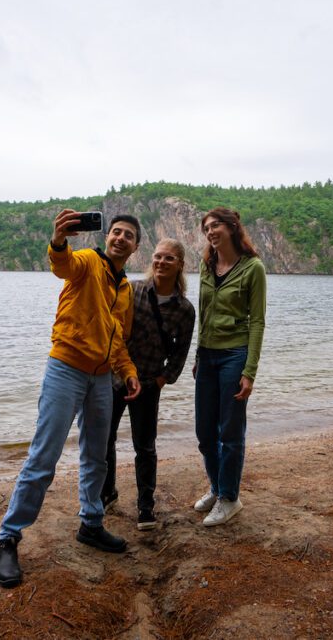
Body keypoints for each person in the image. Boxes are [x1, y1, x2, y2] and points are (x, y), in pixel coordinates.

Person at [0, 210, 142, 588]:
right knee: (44, 455)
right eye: (116, 232)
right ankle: (9, 537)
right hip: (66, 369)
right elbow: (62, 265)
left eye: (129, 235)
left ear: (136, 246)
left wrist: (128, 373)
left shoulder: (124, 288)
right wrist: (59, 241)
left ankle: (91, 524)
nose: (121, 238)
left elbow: (118, 340)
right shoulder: (88, 262)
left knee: (97, 456)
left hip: (102, 379)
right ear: (107, 237)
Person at [102, 239, 196, 531]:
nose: (161, 262)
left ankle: (145, 506)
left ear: (180, 264)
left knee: (145, 446)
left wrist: (162, 379)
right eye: (158, 257)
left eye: (169, 258)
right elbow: (113, 329)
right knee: (106, 439)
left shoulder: (184, 309)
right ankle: (107, 493)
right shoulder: (134, 290)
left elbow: (181, 354)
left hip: (149, 383)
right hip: (117, 378)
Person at [192, 207, 266, 527]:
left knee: (230, 433)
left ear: (232, 227)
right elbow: (203, 313)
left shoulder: (253, 268)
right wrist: (197, 354)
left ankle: (229, 498)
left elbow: (258, 322)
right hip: (207, 356)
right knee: (204, 434)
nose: (210, 231)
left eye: (215, 225)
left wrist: (249, 371)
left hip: (235, 355)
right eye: (206, 227)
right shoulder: (206, 266)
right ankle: (217, 487)